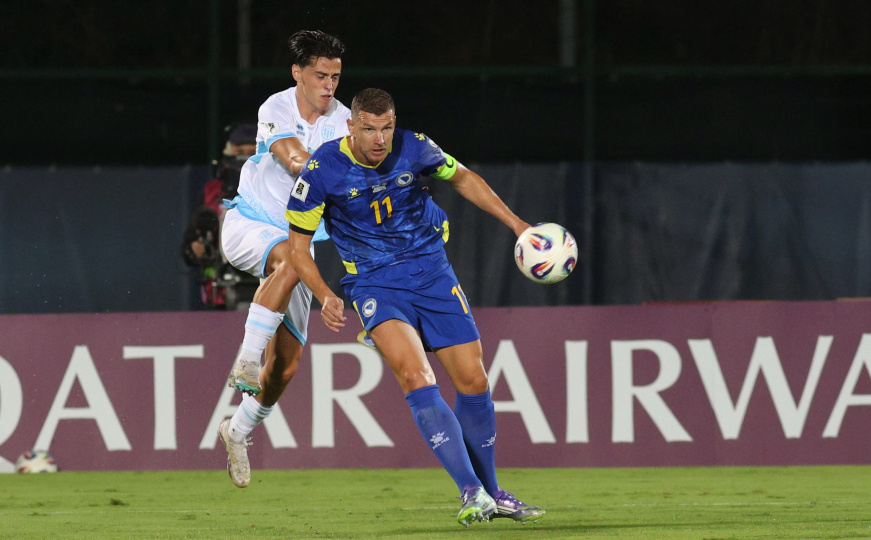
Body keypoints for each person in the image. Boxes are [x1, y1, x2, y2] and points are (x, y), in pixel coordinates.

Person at [284, 88, 546, 527]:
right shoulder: (321, 169)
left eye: (386, 127)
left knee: (474, 380)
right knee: (415, 375)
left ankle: (493, 492)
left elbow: (463, 177)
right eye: (369, 128)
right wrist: (325, 293)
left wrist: (517, 224)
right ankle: (469, 491)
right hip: (374, 283)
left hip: (432, 273)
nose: (380, 138)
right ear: (350, 125)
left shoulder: (415, 146)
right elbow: (298, 248)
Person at [217, 30, 350, 488]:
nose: (329, 84)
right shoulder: (275, 107)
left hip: (298, 246)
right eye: (320, 75)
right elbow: (295, 159)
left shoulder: (347, 122)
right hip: (250, 224)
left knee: (287, 367)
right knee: (292, 260)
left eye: (335, 75)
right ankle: (246, 358)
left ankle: (236, 431)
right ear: (298, 73)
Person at [181, 122, 257, 309]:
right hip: (221, 297)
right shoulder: (211, 193)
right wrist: (195, 249)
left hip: (271, 290)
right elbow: (189, 249)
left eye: (251, 152)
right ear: (229, 152)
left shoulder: (278, 191)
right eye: (240, 151)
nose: (244, 158)